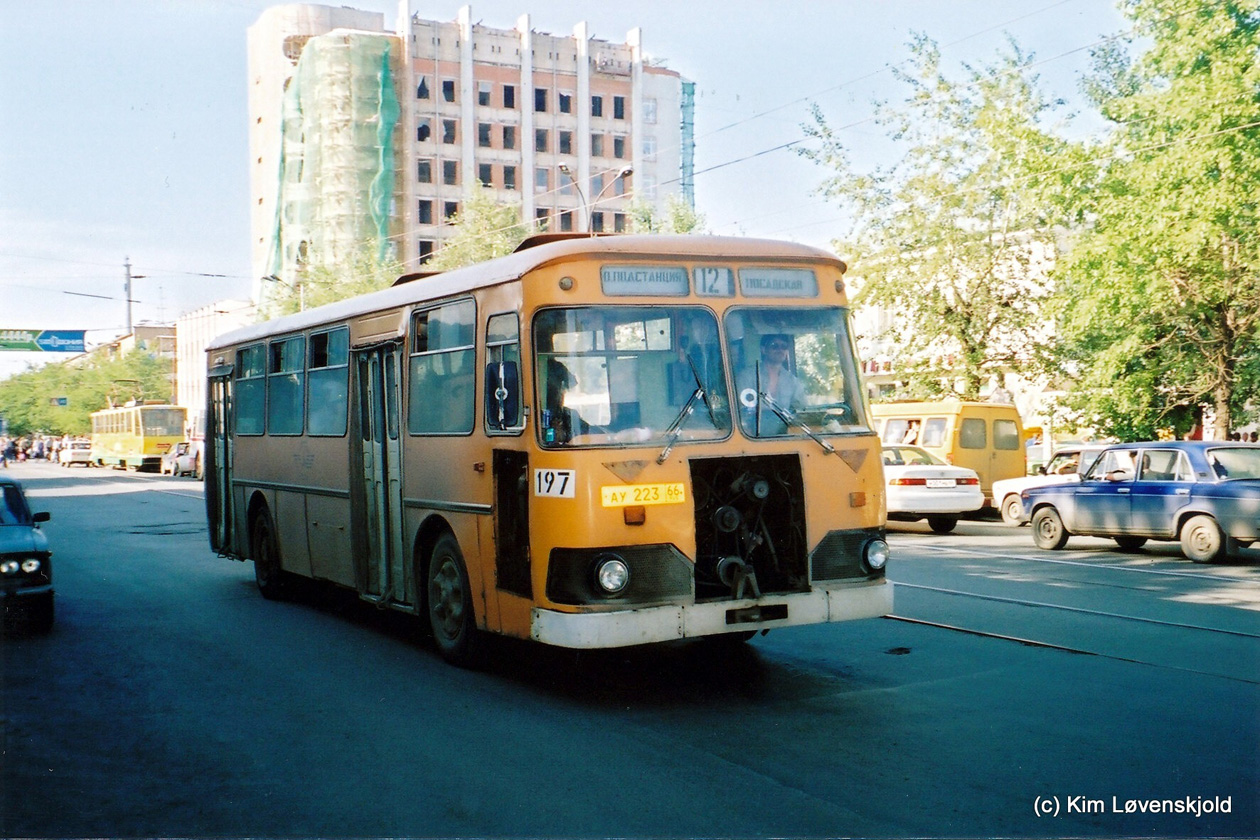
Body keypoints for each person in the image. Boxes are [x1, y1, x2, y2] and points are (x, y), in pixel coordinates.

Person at [736, 334, 806, 436]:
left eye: (784, 346)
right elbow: (739, 410)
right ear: (763, 349)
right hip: (750, 436)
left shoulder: (793, 382)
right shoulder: (747, 376)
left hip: (783, 437)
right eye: (774, 346)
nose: (780, 349)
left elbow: (800, 411)